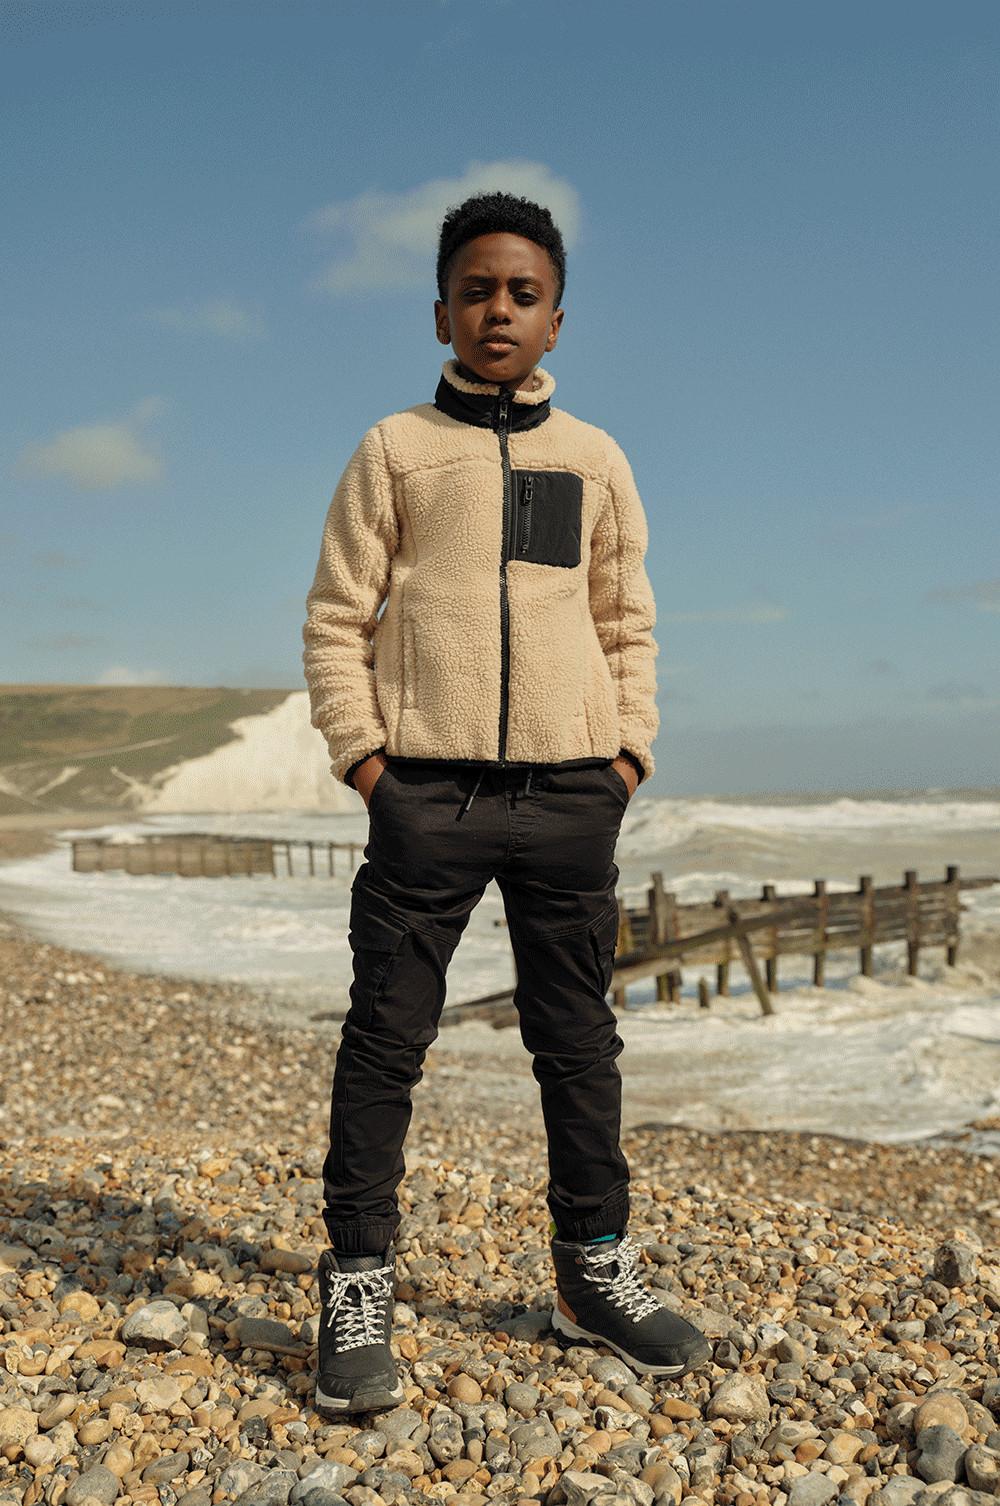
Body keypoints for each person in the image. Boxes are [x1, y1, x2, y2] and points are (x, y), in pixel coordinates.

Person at [301, 190, 711, 1414]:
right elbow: (335, 623)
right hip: (424, 794)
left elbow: (627, 625)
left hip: (571, 795)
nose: (498, 309)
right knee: (386, 1041)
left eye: (521, 294)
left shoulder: (595, 460)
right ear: (440, 309)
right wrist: (370, 767)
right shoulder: (393, 449)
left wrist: (625, 757)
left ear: (556, 321)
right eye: (476, 289)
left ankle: (593, 1274)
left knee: (578, 1045)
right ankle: (357, 1280)